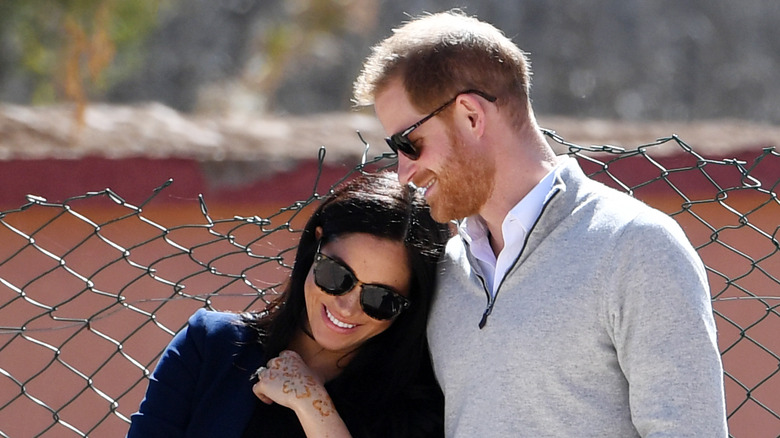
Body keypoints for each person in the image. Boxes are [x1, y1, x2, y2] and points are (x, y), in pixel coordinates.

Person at [353, 9, 728, 437]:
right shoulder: (445, 268)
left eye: (409, 143)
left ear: (471, 115)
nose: (403, 172)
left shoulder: (637, 247)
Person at [127, 171, 450, 438]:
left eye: (381, 299)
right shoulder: (210, 347)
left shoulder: (416, 412)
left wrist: (314, 406)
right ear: (316, 244)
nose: (348, 307)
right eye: (337, 276)